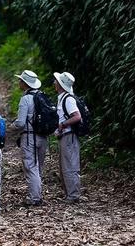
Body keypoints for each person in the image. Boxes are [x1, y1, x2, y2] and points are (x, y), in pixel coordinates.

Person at [11, 70, 46, 206]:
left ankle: (34, 198)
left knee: (30, 167)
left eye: (20, 80)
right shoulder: (42, 96)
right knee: (38, 167)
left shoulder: (26, 99)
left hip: (29, 136)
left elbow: (20, 123)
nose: (19, 82)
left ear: (25, 83)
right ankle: (37, 194)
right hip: (43, 136)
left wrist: (10, 126)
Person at [53, 72, 82, 204]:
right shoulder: (63, 97)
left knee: (70, 165)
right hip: (65, 136)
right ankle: (69, 193)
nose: (54, 83)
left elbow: (77, 116)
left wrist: (63, 125)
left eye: (56, 81)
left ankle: (73, 195)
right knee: (65, 165)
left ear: (60, 84)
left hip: (69, 136)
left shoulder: (68, 99)